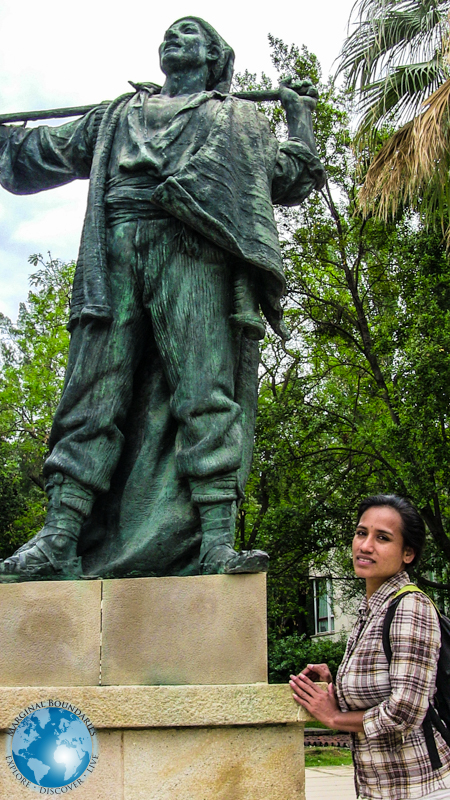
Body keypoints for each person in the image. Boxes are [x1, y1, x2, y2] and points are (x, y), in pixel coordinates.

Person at [0, 18, 326, 580]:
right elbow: (44, 153)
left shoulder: (234, 119)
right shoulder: (115, 117)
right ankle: (59, 536)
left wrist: (300, 122)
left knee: (205, 390)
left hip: (193, 247)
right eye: (171, 33)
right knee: (92, 391)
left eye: (192, 33)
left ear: (216, 57)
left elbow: (289, 176)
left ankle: (216, 540)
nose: (176, 39)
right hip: (116, 248)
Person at [290, 495, 450, 800]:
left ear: (407, 554)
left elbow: (403, 712)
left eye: (383, 538)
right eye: (361, 533)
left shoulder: (409, 606)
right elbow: (379, 692)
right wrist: (335, 687)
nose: (365, 546)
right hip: (381, 790)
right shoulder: (372, 609)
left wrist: (334, 718)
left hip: (422, 789)